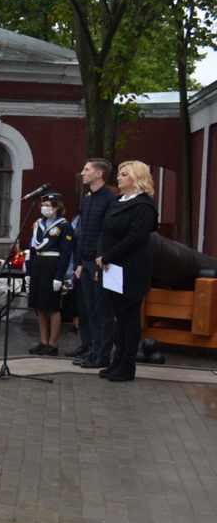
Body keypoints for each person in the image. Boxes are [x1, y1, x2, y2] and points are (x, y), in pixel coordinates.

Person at [96, 160, 158, 382]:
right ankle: (116, 361)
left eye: (124, 174)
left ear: (136, 178)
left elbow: (135, 238)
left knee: (129, 318)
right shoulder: (118, 202)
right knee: (119, 317)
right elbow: (106, 231)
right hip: (112, 268)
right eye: (119, 174)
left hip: (132, 269)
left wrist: (108, 256)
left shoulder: (143, 206)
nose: (119, 178)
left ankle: (127, 365)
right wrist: (102, 256)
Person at [71, 158, 118, 369]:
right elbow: (83, 233)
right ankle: (92, 350)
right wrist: (80, 262)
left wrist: (101, 263)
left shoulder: (110, 199)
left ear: (99, 173)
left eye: (87, 169)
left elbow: (106, 234)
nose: (82, 172)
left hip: (100, 263)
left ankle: (103, 354)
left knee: (102, 311)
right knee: (89, 310)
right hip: (86, 262)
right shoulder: (88, 200)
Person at [27, 191, 74, 356]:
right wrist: (29, 269)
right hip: (39, 265)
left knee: (53, 306)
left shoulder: (64, 226)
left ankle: (53, 343)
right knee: (40, 306)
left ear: (56, 207)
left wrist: (59, 276)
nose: (44, 208)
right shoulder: (38, 223)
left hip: (53, 265)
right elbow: (32, 248)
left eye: (48, 206)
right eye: (43, 205)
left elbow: (66, 253)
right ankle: (43, 341)